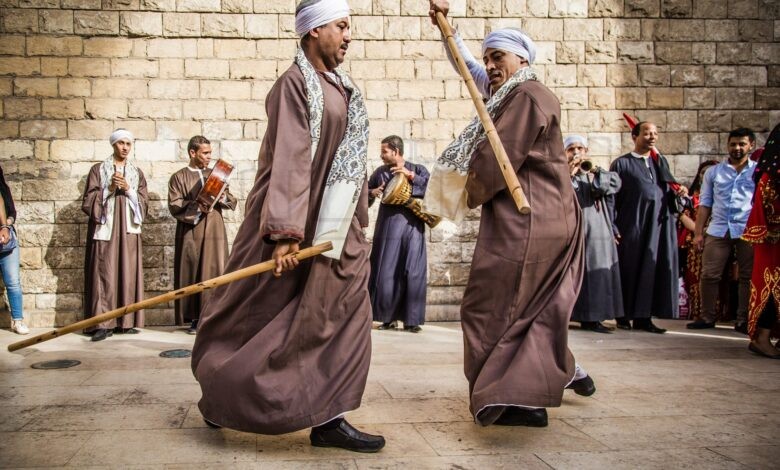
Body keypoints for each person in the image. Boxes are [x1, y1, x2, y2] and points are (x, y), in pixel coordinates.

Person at [191, 0, 385, 453]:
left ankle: (329, 416)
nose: (349, 35)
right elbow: (293, 158)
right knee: (255, 316)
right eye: (342, 26)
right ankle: (222, 392)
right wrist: (284, 234)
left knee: (340, 315)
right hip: (291, 221)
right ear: (315, 30)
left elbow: (349, 161)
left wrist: (353, 221)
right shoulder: (294, 85)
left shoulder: (341, 88)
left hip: (333, 223)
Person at [425, 0, 596, 429]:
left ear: (521, 58)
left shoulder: (526, 95)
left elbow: (498, 157)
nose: (490, 65)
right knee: (529, 309)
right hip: (537, 216)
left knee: (491, 305)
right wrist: (446, 27)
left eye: (497, 56)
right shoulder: (509, 92)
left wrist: (458, 194)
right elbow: (467, 68)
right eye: (487, 59)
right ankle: (533, 391)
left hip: (532, 220)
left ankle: (515, 394)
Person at [611, 122, 686, 334]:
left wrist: (679, 192)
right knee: (630, 269)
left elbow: (668, 191)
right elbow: (613, 199)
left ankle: (644, 318)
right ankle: (623, 315)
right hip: (632, 225)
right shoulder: (622, 164)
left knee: (651, 270)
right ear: (635, 136)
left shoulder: (659, 162)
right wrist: (613, 226)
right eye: (647, 133)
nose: (652, 137)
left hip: (658, 227)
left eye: (655, 133)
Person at [687, 128, 757, 333]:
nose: (737, 148)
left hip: (747, 229)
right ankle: (707, 316)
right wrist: (698, 233)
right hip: (718, 229)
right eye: (733, 144)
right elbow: (705, 203)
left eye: (742, 144)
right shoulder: (714, 172)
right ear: (727, 145)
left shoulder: (757, 170)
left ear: (751, 145)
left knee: (747, 276)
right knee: (709, 274)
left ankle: (743, 319)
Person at [81, 129, 148, 342]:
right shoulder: (98, 170)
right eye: (121, 143)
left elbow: (144, 200)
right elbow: (88, 200)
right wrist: (109, 188)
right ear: (113, 145)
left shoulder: (136, 172)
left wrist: (128, 189)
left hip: (128, 229)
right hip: (106, 229)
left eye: (128, 143)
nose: (125, 147)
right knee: (104, 272)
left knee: (127, 272)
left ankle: (125, 321)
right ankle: (102, 323)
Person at [168, 136, 237, 335]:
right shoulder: (179, 177)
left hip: (215, 228)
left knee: (216, 269)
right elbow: (175, 205)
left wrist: (220, 194)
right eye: (205, 153)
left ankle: (216, 316)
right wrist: (199, 204)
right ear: (192, 153)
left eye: (209, 153)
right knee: (193, 269)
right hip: (192, 231)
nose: (209, 157)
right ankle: (195, 318)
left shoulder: (216, 175)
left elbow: (232, 201)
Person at [368, 135, 430, 333]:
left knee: (412, 270)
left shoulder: (418, 169)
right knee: (386, 272)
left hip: (412, 228)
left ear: (396, 151)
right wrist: (372, 192)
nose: (381, 155)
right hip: (387, 228)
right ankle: (388, 318)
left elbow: (432, 188)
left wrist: (410, 175)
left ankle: (412, 321)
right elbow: (365, 192)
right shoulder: (380, 172)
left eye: (384, 151)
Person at [565, 135, 624, 333]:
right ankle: (574, 316)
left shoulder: (595, 174)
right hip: (573, 231)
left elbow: (612, 187)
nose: (576, 152)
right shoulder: (562, 174)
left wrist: (594, 170)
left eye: (580, 148)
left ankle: (595, 317)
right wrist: (568, 173)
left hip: (597, 231)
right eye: (571, 149)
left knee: (597, 274)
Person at [743, 123, 779, 357]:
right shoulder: (771, 175)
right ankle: (762, 338)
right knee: (771, 290)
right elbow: (763, 209)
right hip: (773, 244)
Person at [678, 160, 730, 322]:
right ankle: (700, 314)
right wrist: (699, 231)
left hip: (721, 239)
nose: (705, 175)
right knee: (696, 279)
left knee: (721, 280)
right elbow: (682, 215)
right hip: (697, 243)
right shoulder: (691, 197)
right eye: (702, 172)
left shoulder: (724, 196)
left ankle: (719, 313)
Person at [0, 166, 28, 335]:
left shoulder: (3, 191)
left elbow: (12, 213)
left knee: (12, 282)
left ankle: (18, 321)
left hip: (6, 242)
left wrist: (6, 226)